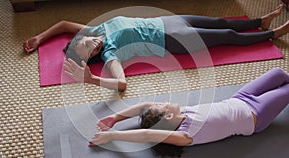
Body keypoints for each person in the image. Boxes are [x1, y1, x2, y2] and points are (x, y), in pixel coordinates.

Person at [23, 5, 289, 91]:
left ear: (82, 37)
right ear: (94, 57)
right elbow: (122, 84)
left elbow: (62, 25)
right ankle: (272, 33)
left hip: (167, 21)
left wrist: (38, 38)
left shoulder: (93, 31)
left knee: (219, 20)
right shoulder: (109, 52)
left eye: (85, 43)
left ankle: (259, 21)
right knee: (227, 34)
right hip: (173, 41)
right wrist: (92, 80)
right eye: (90, 52)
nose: (92, 46)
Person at [89, 67, 289, 146]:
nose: (160, 101)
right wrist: (113, 136)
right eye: (161, 105)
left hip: (241, 98)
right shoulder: (186, 135)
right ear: (167, 117)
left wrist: (116, 118)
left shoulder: (180, 113)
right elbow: (147, 135)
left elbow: (145, 106)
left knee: (279, 73)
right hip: (256, 115)